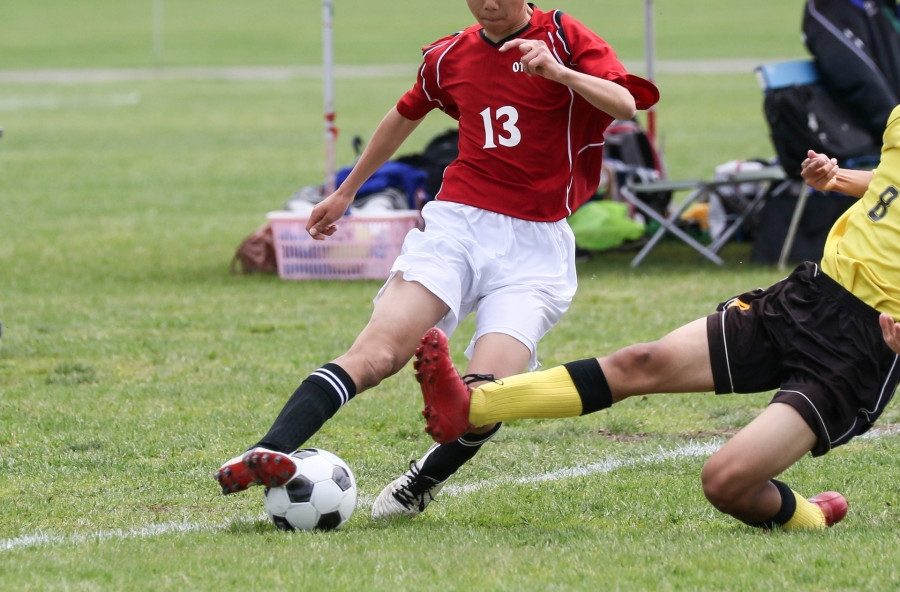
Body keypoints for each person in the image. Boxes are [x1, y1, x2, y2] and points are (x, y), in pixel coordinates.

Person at [214, 0, 659, 520]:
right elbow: (403, 114)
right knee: (377, 353)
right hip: (458, 226)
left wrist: (559, 73)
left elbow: (626, 105)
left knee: (486, 398)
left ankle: (420, 482)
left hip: (536, 250)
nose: (488, 3)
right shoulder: (449, 56)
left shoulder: (563, 35)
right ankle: (267, 450)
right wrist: (346, 191)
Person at [414, 104, 900, 530]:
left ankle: (810, 516)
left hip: (862, 344)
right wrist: (836, 180)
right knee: (641, 361)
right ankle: (469, 406)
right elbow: (889, 184)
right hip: (810, 296)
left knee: (725, 482)